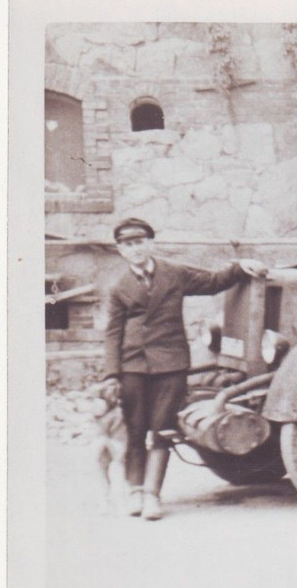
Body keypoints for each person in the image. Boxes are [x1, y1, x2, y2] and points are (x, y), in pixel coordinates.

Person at [101, 217, 268, 520]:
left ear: (151, 244)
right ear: (120, 250)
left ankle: (152, 496)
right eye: (128, 245)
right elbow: (113, 333)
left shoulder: (173, 273)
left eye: (140, 243)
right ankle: (135, 491)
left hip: (171, 364)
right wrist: (112, 374)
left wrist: (240, 266)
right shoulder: (118, 287)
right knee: (135, 430)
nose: (136, 249)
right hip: (133, 365)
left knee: (163, 430)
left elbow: (213, 282)